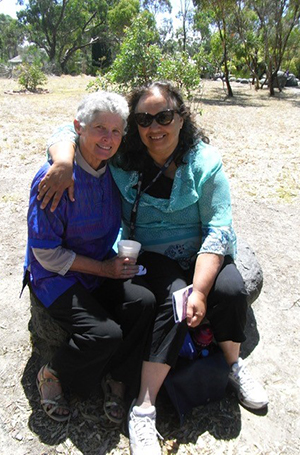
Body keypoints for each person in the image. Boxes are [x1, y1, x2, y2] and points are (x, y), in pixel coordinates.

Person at [38, 81, 268, 454]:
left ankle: (234, 365)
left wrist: (202, 289)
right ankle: (143, 408)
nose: (154, 127)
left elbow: (218, 231)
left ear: (181, 118)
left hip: (203, 253)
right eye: (144, 119)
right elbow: (73, 129)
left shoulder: (205, 164)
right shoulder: (126, 158)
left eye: (164, 116)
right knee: (176, 300)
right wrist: (63, 161)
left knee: (231, 289)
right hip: (153, 254)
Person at [23, 91, 156, 425]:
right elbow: (46, 252)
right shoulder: (55, 178)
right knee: (104, 334)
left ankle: (116, 377)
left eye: (115, 131)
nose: (108, 139)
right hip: (55, 277)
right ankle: (52, 374)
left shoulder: (114, 171)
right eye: (99, 128)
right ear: (79, 129)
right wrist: (103, 269)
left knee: (144, 302)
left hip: (99, 267)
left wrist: (106, 268)